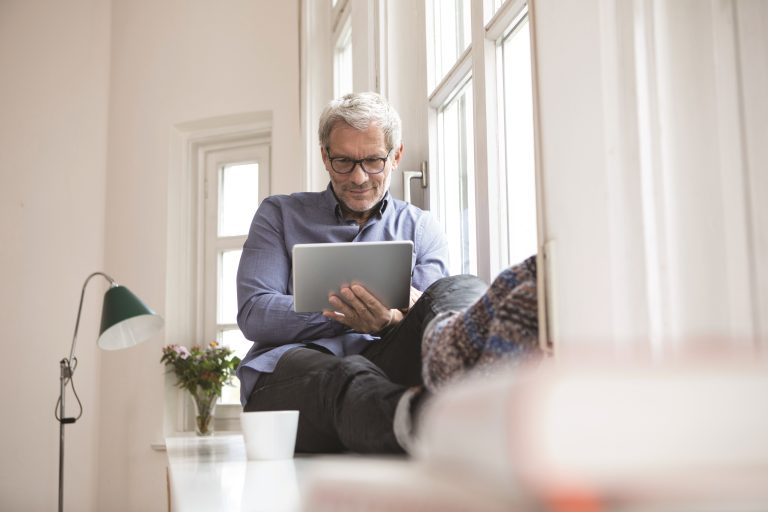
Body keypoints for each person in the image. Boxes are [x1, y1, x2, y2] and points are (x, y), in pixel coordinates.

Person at [237, 92, 486, 453]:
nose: (358, 177)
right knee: (345, 375)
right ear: (325, 156)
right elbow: (254, 314)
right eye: (343, 162)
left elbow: (427, 313)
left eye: (372, 161)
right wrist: (350, 315)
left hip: (387, 371)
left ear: (396, 155)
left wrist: (389, 322)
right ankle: (437, 427)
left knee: (459, 287)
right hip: (293, 382)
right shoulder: (279, 215)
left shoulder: (421, 227)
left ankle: (479, 383)